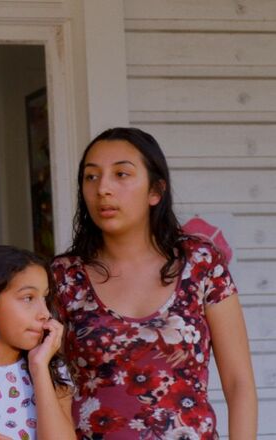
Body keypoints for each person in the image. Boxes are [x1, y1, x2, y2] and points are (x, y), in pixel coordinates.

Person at [52, 127, 258, 439]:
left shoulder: (201, 263)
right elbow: (50, 386)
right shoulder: (64, 276)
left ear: (156, 191)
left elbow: (239, 383)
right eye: (91, 176)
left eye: (121, 174)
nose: (103, 188)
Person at [0, 245, 74, 440]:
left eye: (45, 298)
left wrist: (39, 368)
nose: (45, 313)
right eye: (28, 298)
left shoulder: (53, 368)